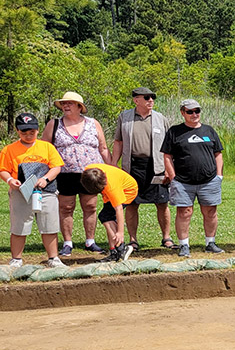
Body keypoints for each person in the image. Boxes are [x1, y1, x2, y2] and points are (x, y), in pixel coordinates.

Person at [43, 91, 109, 255]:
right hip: (64, 173)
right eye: (63, 103)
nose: (65, 106)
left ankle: (90, 241)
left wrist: (111, 167)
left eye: (70, 103)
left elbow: (103, 148)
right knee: (66, 207)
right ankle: (67, 243)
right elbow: (45, 148)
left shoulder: (93, 123)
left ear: (80, 107)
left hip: (90, 173)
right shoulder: (55, 124)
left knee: (90, 206)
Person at [111, 87, 171, 251]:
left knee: (162, 203)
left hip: (156, 166)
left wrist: (168, 168)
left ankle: (166, 237)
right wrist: (114, 164)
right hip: (132, 167)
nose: (151, 100)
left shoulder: (161, 118)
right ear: (136, 100)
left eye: (153, 97)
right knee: (131, 204)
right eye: (147, 97)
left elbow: (168, 147)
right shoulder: (125, 117)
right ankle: (133, 239)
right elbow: (118, 142)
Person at [162, 99, 224, 257]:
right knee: (184, 212)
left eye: (197, 111)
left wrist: (219, 175)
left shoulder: (209, 131)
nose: (194, 114)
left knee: (210, 212)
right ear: (183, 113)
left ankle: (210, 243)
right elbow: (167, 155)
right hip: (183, 182)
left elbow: (218, 154)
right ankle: (184, 245)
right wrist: (173, 176)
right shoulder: (174, 132)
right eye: (190, 111)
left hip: (209, 180)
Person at [2, 113, 65, 268]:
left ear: (38, 130)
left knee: (49, 225)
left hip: (46, 190)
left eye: (32, 132)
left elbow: (56, 167)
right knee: (19, 225)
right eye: (24, 132)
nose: (28, 135)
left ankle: (53, 258)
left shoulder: (47, 147)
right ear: (17, 131)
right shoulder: (9, 149)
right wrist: (11, 180)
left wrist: (45, 179)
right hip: (21, 191)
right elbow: (3, 170)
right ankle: (16, 259)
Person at [80, 163, 138, 262]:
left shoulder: (112, 187)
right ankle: (114, 251)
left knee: (106, 216)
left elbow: (118, 209)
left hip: (127, 190)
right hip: (112, 188)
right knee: (106, 217)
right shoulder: (88, 171)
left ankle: (121, 248)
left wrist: (120, 233)